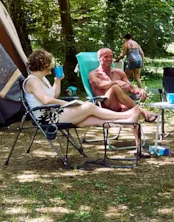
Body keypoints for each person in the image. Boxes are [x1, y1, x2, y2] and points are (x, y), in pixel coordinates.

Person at [23, 50, 152, 149]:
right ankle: (128, 114)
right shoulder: (32, 81)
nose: (51, 66)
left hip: (54, 113)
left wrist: (57, 80)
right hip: (47, 118)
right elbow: (46, 100)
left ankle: (127, 121)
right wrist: (67, 104)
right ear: (44, 64)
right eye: (49, 63)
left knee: (91, 119)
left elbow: (53, 96)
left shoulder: (42, 79)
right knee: (89, 107)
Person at [89, 47, 155, 121]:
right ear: (99, 58)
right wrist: (116, 82)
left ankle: (138, 127)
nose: (109, 59)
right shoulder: (94, 74)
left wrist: (140, 90)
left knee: (133, 115)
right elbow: (100, 84)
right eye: (106, 57)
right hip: (104, 106)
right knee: (115, 87)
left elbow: (132, 88)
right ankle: (143, 112)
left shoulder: (119, 72)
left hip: (121, 106)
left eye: (111, 56)